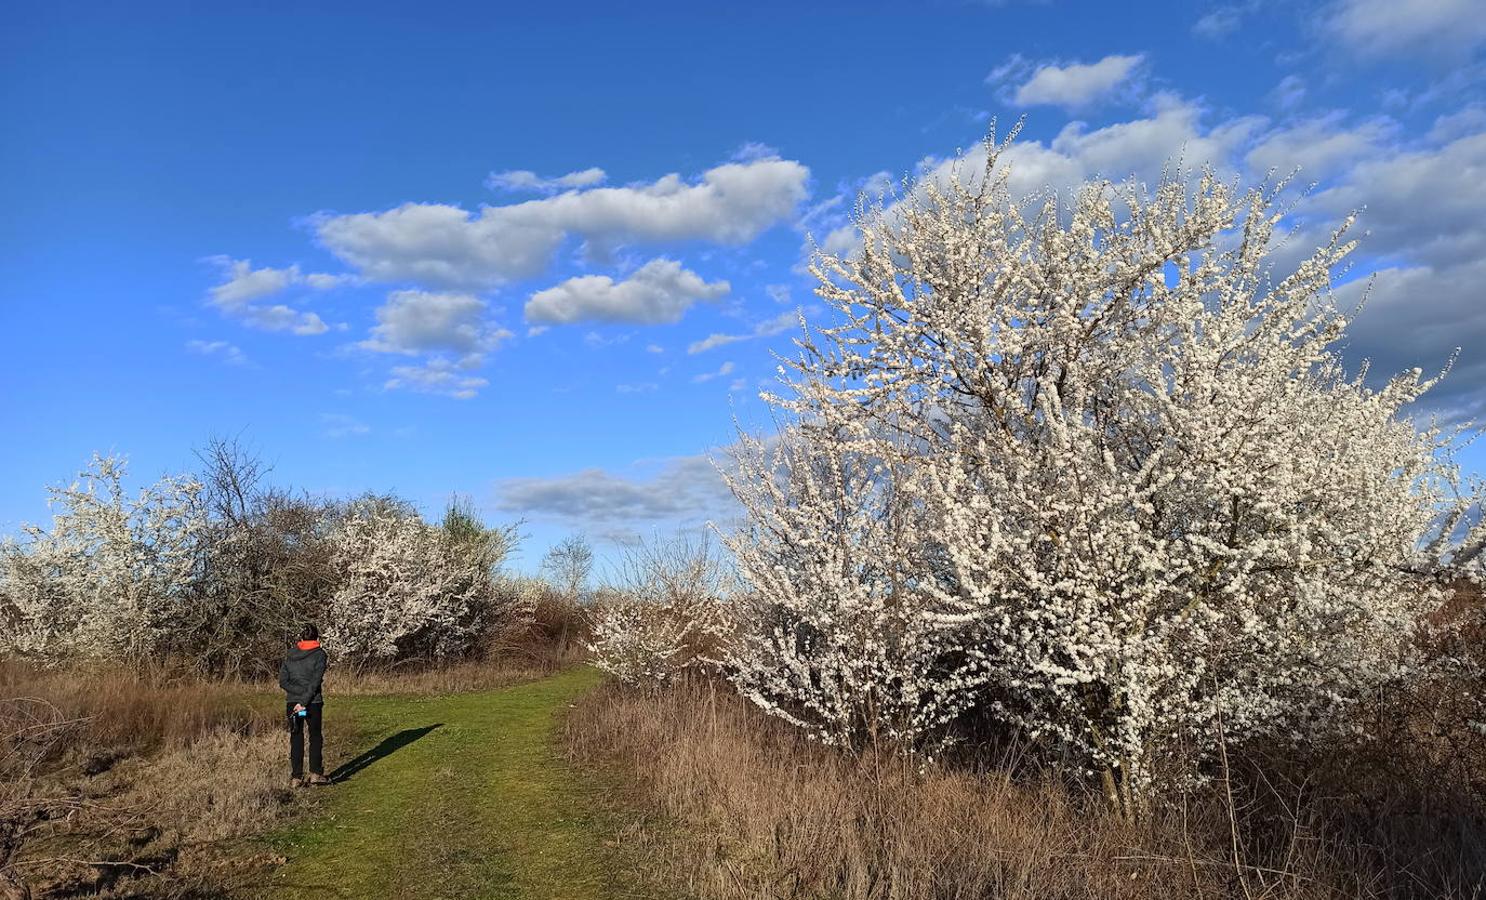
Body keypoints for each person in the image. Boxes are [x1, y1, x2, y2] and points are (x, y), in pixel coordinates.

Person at [279, 624, 329, 787]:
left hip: (293, 703)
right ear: (317, 638)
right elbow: (315, 682)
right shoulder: (320, 655)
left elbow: (283, 681)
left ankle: (296, 777)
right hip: (312, 703)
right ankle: (315, 773)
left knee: (296, 737)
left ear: (301, 638)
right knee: (315, 736)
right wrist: (304, 700)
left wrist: (299, 699)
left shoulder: (290, 655)